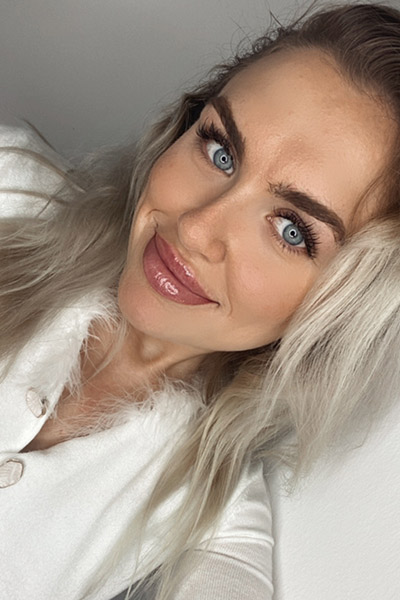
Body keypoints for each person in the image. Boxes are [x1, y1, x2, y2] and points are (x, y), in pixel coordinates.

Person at [1, 2, 400, 599]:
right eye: (221, 151)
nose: (194, 228)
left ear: (344, 305)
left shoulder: (212, 512)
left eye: (291, 229)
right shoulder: (8, 189)